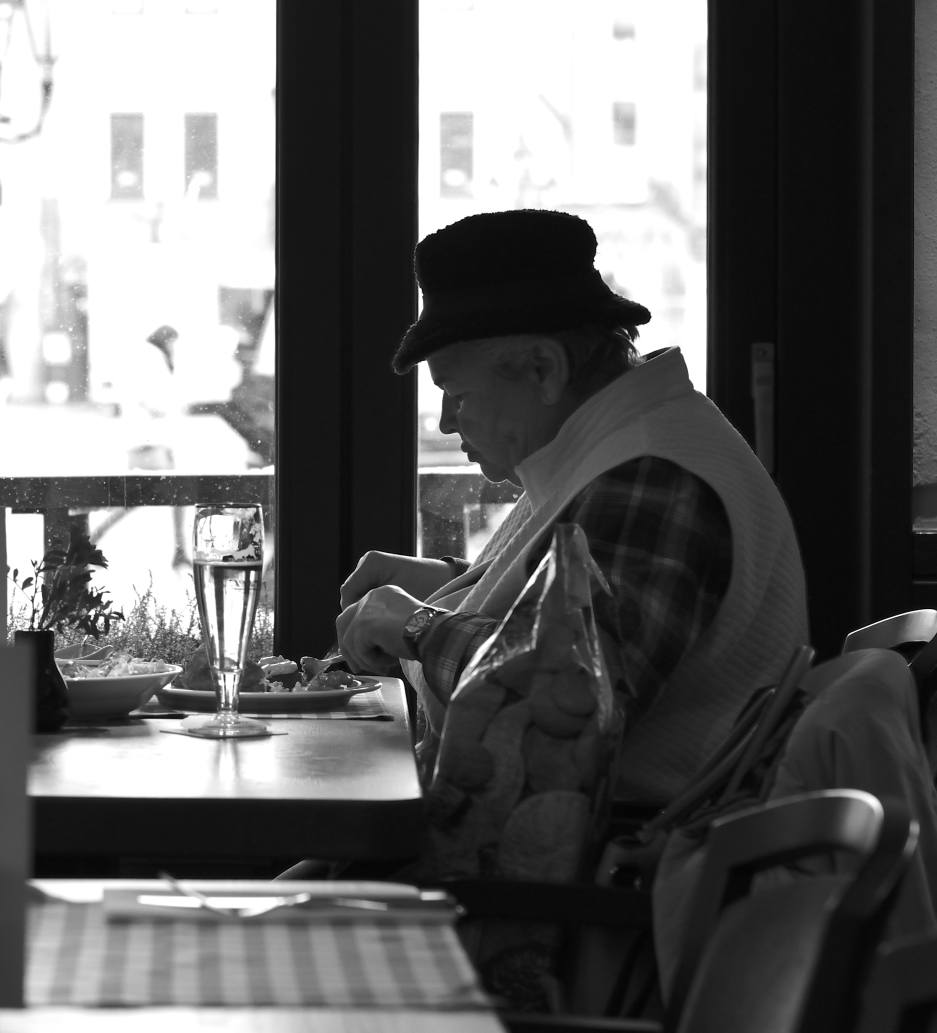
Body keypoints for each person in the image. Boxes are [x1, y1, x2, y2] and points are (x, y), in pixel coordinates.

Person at [333, 209, 806, 806]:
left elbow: (554, 711)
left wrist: (417, 626)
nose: (448, 422)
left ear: (543, 369)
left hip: (611, 857)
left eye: (456, 393)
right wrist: (456, 585)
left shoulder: (652, 478)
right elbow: (577, 605)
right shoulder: (619, 445)